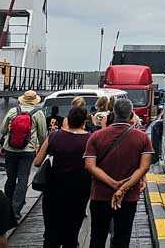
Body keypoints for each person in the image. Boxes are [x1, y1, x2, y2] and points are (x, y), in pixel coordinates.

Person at [84, 99, 153, 248]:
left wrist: (113, 183)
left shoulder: (96, 136)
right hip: (128, 197)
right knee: (122, 237)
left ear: (113, 113)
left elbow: (90, 166)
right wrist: (123, 188)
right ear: (131, 114)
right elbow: (144, 167)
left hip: (100, 195)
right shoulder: (142, 138)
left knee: (97, 236)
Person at [34, 104, 93, 248]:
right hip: (79, 191)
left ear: (68, 120)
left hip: (53, 190)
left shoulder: (54, 136)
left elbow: (37, 162)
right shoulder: (91, 139)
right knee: (72, 234)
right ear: (84, 122)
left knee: (50, 234)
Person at [0, 89, 48, 217]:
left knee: (10, 178)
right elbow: (43, 135)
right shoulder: (38, 113)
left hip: (10, 149)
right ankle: (16, 209)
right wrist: (42, 150)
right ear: (35, 101)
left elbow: (3, 130)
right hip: (28, 151)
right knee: (23, 179)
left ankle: (6, 205)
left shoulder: (12, 111)